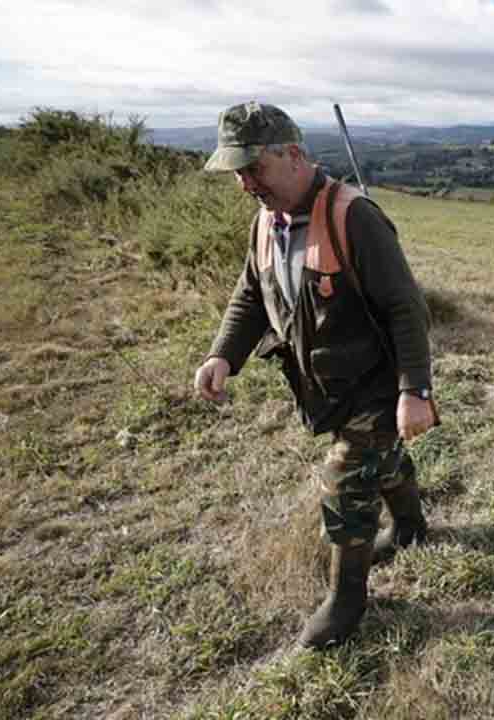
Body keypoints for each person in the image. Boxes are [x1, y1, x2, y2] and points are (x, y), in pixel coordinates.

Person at [193, 101, 437, 648]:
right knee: (384, 457)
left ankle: (346, 601)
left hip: (375, 381)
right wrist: (221, 356)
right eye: (236, 171)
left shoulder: (354, 217)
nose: (244, 182)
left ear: (295, 155)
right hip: (327, 386)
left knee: (348, 480)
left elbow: (406, 309)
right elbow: (252, 294)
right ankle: (411, 526)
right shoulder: (267, 220)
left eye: (252, 167)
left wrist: (414, 391)